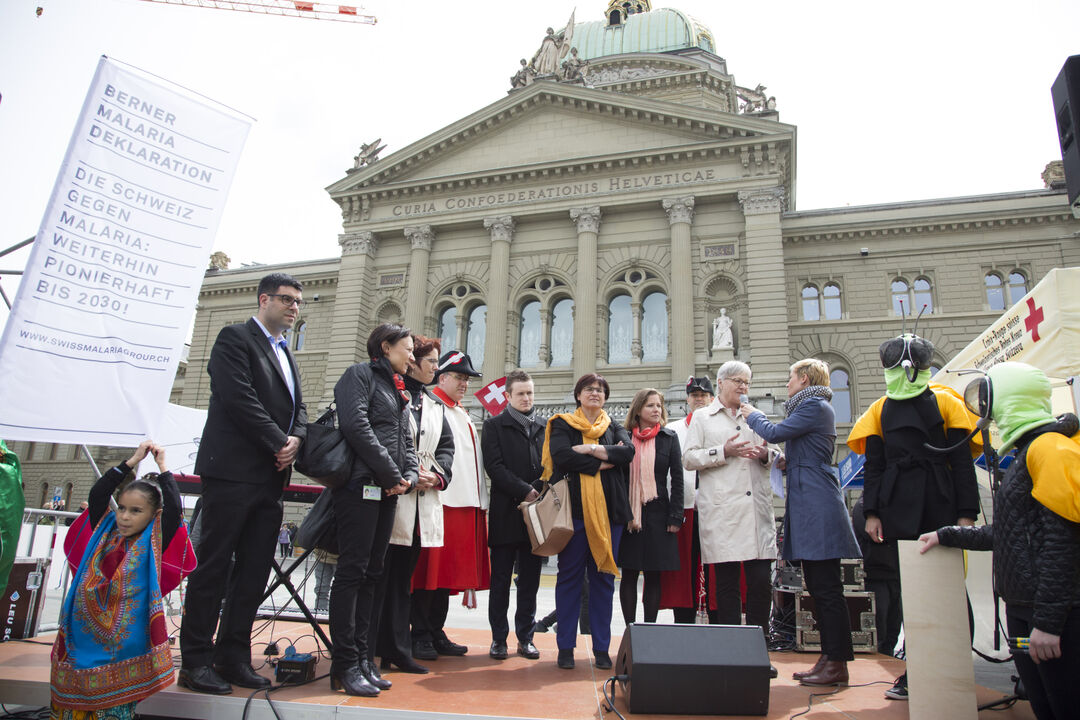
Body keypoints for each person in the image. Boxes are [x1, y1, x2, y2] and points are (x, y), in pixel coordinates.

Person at [919, 362, 1080, 720]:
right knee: (1043, 705)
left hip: (1050, 620)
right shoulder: (1029, 453)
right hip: (1023, 614)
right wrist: (948, 534)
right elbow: (1012, 532)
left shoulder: (1049, 451)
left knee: (1063, 705)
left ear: (1008, 399)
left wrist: (1049, 624)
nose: (984, 410)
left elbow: (1062, 545)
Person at [179, 272, 307, 695]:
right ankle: (195, 660)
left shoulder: (286, 353)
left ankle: (232, 656)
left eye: (298, 302)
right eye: (286, 300)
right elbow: (238, 397)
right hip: (233, 472)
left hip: (271, 478)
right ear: (263, 299)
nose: (294, 307)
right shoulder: (234, 339)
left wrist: (297, 440)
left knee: (253, 570)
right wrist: (278, 441)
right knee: (214, 568)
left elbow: (299, 410)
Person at [846, 331, 980, 700]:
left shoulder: (948, 403)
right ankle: (917, 669)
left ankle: (955, 666)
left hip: (941, 502)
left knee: (950, 588)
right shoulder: (878, 410)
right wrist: (871, 513)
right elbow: (873, 466)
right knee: (913, 591)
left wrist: (966, 515)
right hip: (897, 507)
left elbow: (961, 461)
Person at [742, 359, 862, 686]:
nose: (787, 383)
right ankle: (830, 657)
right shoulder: (810, 407)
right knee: (820, 588)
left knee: (826, 590)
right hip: (809, 502)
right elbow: (797, 454)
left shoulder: (814, 406)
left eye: (790, 377)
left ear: (804, 378)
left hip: (817, 505)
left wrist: (752, 413)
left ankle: (837, 662)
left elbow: (774, 432)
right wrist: (775, 459)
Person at [51, 440, 179, 719]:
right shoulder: (106, 528)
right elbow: (99, 495)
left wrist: (163, 468)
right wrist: (131, 462)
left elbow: (174, 508)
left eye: (136, 511)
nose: (124, 516)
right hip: (81, 640)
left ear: (153, 515)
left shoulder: (153, 539)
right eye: (122, 508)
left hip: (122, 649)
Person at [329, 323, 418, 697]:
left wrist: (409, 476)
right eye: (407, 349)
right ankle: (344, 664)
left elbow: (407, 437)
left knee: (372, 573)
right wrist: (391, 471)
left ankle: (364, 659)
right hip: (361, 485)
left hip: (388, 489)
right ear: (386, 346)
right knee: (352, 573)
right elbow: (355, 425)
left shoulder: (398, 388)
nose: (412, 357)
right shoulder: (359, 376)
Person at [542, 373, 634, 670]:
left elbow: (628, 452)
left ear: (605, 397)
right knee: (569, 578)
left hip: (611, 517)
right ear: (578, 395)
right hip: (574, 515)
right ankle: (566, 647)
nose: (595, 393)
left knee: (603, 580)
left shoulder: (614, 426)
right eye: (588, 389)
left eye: (600, 390)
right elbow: (561, 457)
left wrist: (590, 449)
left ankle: (602, 647)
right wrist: (604, 461)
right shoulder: (562, 424)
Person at [683, 361, 778, 639]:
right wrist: (722, 451)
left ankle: (760, 644)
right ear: (721, 383)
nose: (743, 387)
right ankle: (731, 646)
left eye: (747, 382)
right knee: (726, 586)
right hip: (723, 513)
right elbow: (688, 459)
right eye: (737, 380)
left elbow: (775, 453)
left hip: (755, 512)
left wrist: (765, 455)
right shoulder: (703, 418)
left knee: (760, 583)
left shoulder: (756, 416)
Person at [376, 334, 453, 675]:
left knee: (402, 580)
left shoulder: (434, 404)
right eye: (432, 361)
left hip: (423, 501)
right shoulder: (393, 395)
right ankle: (372, 646)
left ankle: (396, 647)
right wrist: (406, 472)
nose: (437, 367)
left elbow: (446, 449)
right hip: (393, 498)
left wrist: (437, 477)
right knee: (381, 577)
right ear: (414, 362)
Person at [411, 351, 490, 660]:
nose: (464, 384)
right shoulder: (431, 407)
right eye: (459, 377)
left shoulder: (460, 411)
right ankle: (419, 632)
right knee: (428, 575)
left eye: (467, 379)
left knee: (446, 576)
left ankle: (434, 630)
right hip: (440, 501)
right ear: (441, 377)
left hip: (464, 502)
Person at [482, 369, 545, 660]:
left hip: (537, 517)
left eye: (530, 392)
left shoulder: (545, 427)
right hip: (506, 515)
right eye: (520, 393)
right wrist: (524, 490)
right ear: (508, 395)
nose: (526, 398)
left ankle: (526, 638)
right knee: (501, 581)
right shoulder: (495, 425)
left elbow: (551, 467)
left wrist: (539, 490)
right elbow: (494, 467)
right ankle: (498, 639)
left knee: (530, 582)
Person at [618, 388, 683, 626]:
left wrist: (675, 517)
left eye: (659, 406)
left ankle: (649, 628)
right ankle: (630, 629)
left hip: (658, 512)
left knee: (654, 575)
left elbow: (677, 478)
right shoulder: (623, 437)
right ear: (638, 410)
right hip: (629, 514)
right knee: (630, 573)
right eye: (650, 406)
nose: (656, 410)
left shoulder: (668, 437)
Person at [660, 376, 719, 623]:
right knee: (683, 572)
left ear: (712, 399)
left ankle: (716, 619)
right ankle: (683, 621)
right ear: (687, 399)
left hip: (715, 508)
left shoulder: (719, 428)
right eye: (694, 395)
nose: (699, 399)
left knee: (715, 569)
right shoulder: (674, 430)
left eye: (703, 395)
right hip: (683, 507)